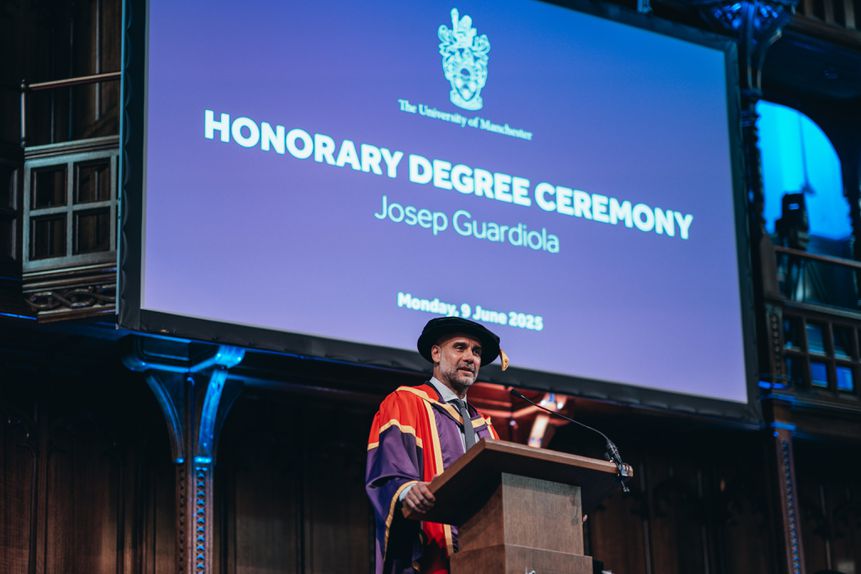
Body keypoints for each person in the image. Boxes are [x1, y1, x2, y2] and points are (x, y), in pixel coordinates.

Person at [365, 317, 508, 574]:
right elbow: (388, 467)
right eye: (460, 347)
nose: (470, 358)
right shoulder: (405, 403)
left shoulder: (486, 429)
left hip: (484, 560)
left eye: (476, 352)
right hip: (430, 557)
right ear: (436, 353)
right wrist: (407, 490)